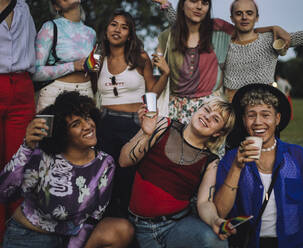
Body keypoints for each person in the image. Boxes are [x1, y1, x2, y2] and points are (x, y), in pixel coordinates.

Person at [156, 0, 303, 102]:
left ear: (256, 17)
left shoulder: (272, 40)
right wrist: (167, 6)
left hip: (263, 107)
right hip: (229, 108)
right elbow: (188, 27)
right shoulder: (222, 41)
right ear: (232, 18)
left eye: (249, 13)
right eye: (238, 13)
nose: (244, 17)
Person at [214, 84, 303, 248]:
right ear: (243, 120)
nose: (258, 122)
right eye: (251, 115)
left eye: (265, 114)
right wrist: (236, 167)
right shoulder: (231, 159)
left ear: (277, 119)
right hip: (250, 243)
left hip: (294, 243)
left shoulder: (298, 156)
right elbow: (220, 212)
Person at [0, 91, 133, 248]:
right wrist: (26, 148)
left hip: (71, 239)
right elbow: (4, 193)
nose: (87, 126)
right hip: (28, 237)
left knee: (122, 229)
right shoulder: (43, 157)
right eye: (76, 124)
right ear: (63, 133)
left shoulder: (105, 163)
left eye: (87, 117)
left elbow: (94, 216)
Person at [119, 97, 235, 248]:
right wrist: (146, 134)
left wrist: (215, 221)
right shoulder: (163, 125)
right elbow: (123, 161)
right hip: (139, 226)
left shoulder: (211, 161)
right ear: (197, 110)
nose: (207, 117)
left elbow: (204, 202)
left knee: (216, 240)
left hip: (175, 226)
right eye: (206, 110)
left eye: (215, 119)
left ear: (218, 133)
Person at [96, 9, 170, 218]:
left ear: (130, 34)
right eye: (113, 24)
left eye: (124, 26)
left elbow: (151, 93)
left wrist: (165, 74)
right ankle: (107, 226)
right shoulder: (98, 59)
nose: (117, 29)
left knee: (129, 179)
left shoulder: (140, 58)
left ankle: (131, 228)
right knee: (105, 178)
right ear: (106, 29)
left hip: (133, 125)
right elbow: (94, 89)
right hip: (105, 123)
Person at [0, 0, 36, 243]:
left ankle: (17, 236)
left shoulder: (23, 7)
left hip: (22, 86)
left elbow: (30, 46)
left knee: (19, 164)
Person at [33, 0, 96, 112]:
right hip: (56, 93)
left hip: (86, 92)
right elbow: (35, 72)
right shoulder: (50, 27)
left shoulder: (91, 33)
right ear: (56, 6)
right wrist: (73, 66)